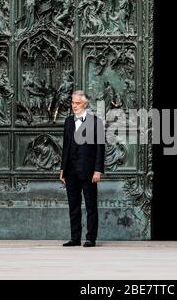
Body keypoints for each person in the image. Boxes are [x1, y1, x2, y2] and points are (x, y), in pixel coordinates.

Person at [60, 91, 105, 247]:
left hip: (88, 170)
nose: (74, 106)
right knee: (74, 205)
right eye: (72, 103)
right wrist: (62, 169)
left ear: (85, 104)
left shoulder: (95, 122)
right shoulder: (68, 122)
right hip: (71, 170)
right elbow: (65, 147)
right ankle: (75, 238)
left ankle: (91, 238)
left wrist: (98, 170)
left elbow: (100, 148)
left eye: (77, 103)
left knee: (91, 205)